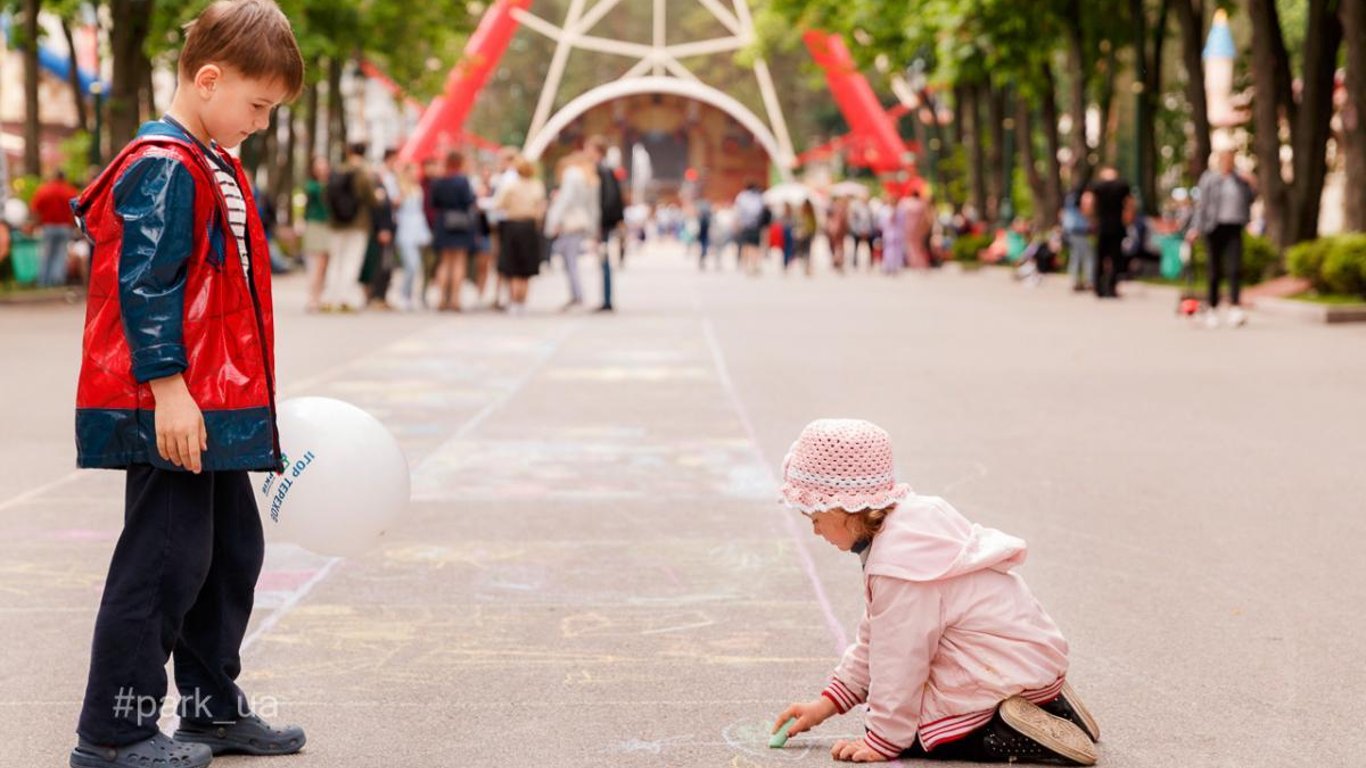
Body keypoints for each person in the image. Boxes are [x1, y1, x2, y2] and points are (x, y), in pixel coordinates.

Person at [65, 2, 306, 766]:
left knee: (229, 550)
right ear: (209, 80)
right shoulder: (167, 165)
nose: (261, 122)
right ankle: (114, 730)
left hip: (214, 400)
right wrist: (169, 388)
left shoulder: (208, 158)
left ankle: (210, 709)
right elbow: (146, 284)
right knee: (165, 558)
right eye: (257, 105)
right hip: (174, 402)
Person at [770, 420, 1099, 765]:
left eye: (815, 517)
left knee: (923, 736)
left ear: (845, 507)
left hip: (1004, 669)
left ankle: (1013, 733)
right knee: (906, 711)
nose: (816, 530)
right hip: (1025, 660)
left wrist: (882, 740)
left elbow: (900, 658)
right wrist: (827, 704)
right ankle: (1047, 703)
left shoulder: (899, 569)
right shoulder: (912, 526)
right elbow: (877, 636)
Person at [1187, 147, 1256, 328]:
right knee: (1214, 269)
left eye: (1230, 159)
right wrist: (1195, 228)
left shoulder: (1239, 180)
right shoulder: (1209, 178)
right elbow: (1201, 205)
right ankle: (1212, 307)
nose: (1228, 163)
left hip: (1234, 226)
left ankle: (1235, 307)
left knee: (1234, 268)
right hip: (1213, 227)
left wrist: (1251, 183)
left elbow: (1251, 199)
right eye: (1225, 159)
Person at [491, 154, 547, 315]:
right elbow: (541, 208)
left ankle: (514, 300)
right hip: (529, 227)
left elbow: (499, 204)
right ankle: (522, 301)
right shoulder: (537, 186)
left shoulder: (511, 186)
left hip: (513, 226)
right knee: (526, 266)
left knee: (514, 265)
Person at [324, 142, 375, 311]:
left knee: (335, 259)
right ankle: (345, 298)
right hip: (358, 223)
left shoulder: (339, 169)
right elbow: (370, 197)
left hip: (337, 223)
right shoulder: (363, 172)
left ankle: (330, 298)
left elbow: (328, 194)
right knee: (351, 260)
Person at [544, 151, 597, 310]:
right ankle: (576, 295)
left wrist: (553, 221)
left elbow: (565, 201)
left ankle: (577, 295)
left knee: (570, 262)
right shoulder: (586, 177)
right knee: (571, 261)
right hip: (580, 223)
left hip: (569, 224)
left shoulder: (571, 175)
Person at [429, 150, 478, 312]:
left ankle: (441, 298)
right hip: (461, 223)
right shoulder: (462, 181)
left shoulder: (439, 181)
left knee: (444, 262)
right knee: (459, 262)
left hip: (443, 222)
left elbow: (433, 202)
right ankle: (455, 299)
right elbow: (469, 200)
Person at [584, 135, 623, 312]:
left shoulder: (603, 170)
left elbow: (609, 200)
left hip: (604, 223)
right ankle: (605, 298)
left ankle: (607, 300)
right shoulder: (605, 169)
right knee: (603, 260)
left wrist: (601, 222)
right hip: (605, 222)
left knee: (605, 261)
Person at [1082, 167, 1132, 299]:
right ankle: (1111, 287)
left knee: (1099, 257)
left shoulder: (1096, 186)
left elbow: (1087, 202)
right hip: (1117, 226)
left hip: (1101, 226)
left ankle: (1098, 288)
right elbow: (1130, 204)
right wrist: (1127, 220)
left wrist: (1091, 218)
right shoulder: (1122, 186)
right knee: (1116, 258)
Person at [31, 169, 82, 287]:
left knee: (46, 254)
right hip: (64, 227)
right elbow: (76, 210)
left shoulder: (45, 190)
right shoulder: (70, 191)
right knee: (60, 254)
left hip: (48, 226)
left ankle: (43, 281)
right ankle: (57, 280)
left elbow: (35, 209)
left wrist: (37, 223)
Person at [394, 163, 432, 311]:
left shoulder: (417, 189)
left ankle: (409, 295)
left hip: (417, 229)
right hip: (405, 228)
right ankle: (404, 295)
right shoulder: (400, 188)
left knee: (416, 266)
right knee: (411, 264)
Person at [300, 156, 331, 311]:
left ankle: (319, 296)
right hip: (315, 225)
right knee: (318, 264)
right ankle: (313, 297)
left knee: (325, 264)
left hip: (329, 226)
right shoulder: (312, 186)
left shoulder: (330, 184)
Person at [1061, 185, 1094, 293]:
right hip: (1079, 230)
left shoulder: (1069, 200)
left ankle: (1076, 280)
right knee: (1086, 256)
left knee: (1076, 256)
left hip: (1073, 230)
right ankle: (1087, 280)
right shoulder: (1077, 200)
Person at [735, 182, 766, 276]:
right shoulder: (758, 197)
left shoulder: (742, 197)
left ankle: (746, 265)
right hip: (756, 225)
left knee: (746, 245)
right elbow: (761, 211)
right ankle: (755, 265)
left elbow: (738, 212)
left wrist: (737, 224)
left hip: (745, 225)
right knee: (755, 246)